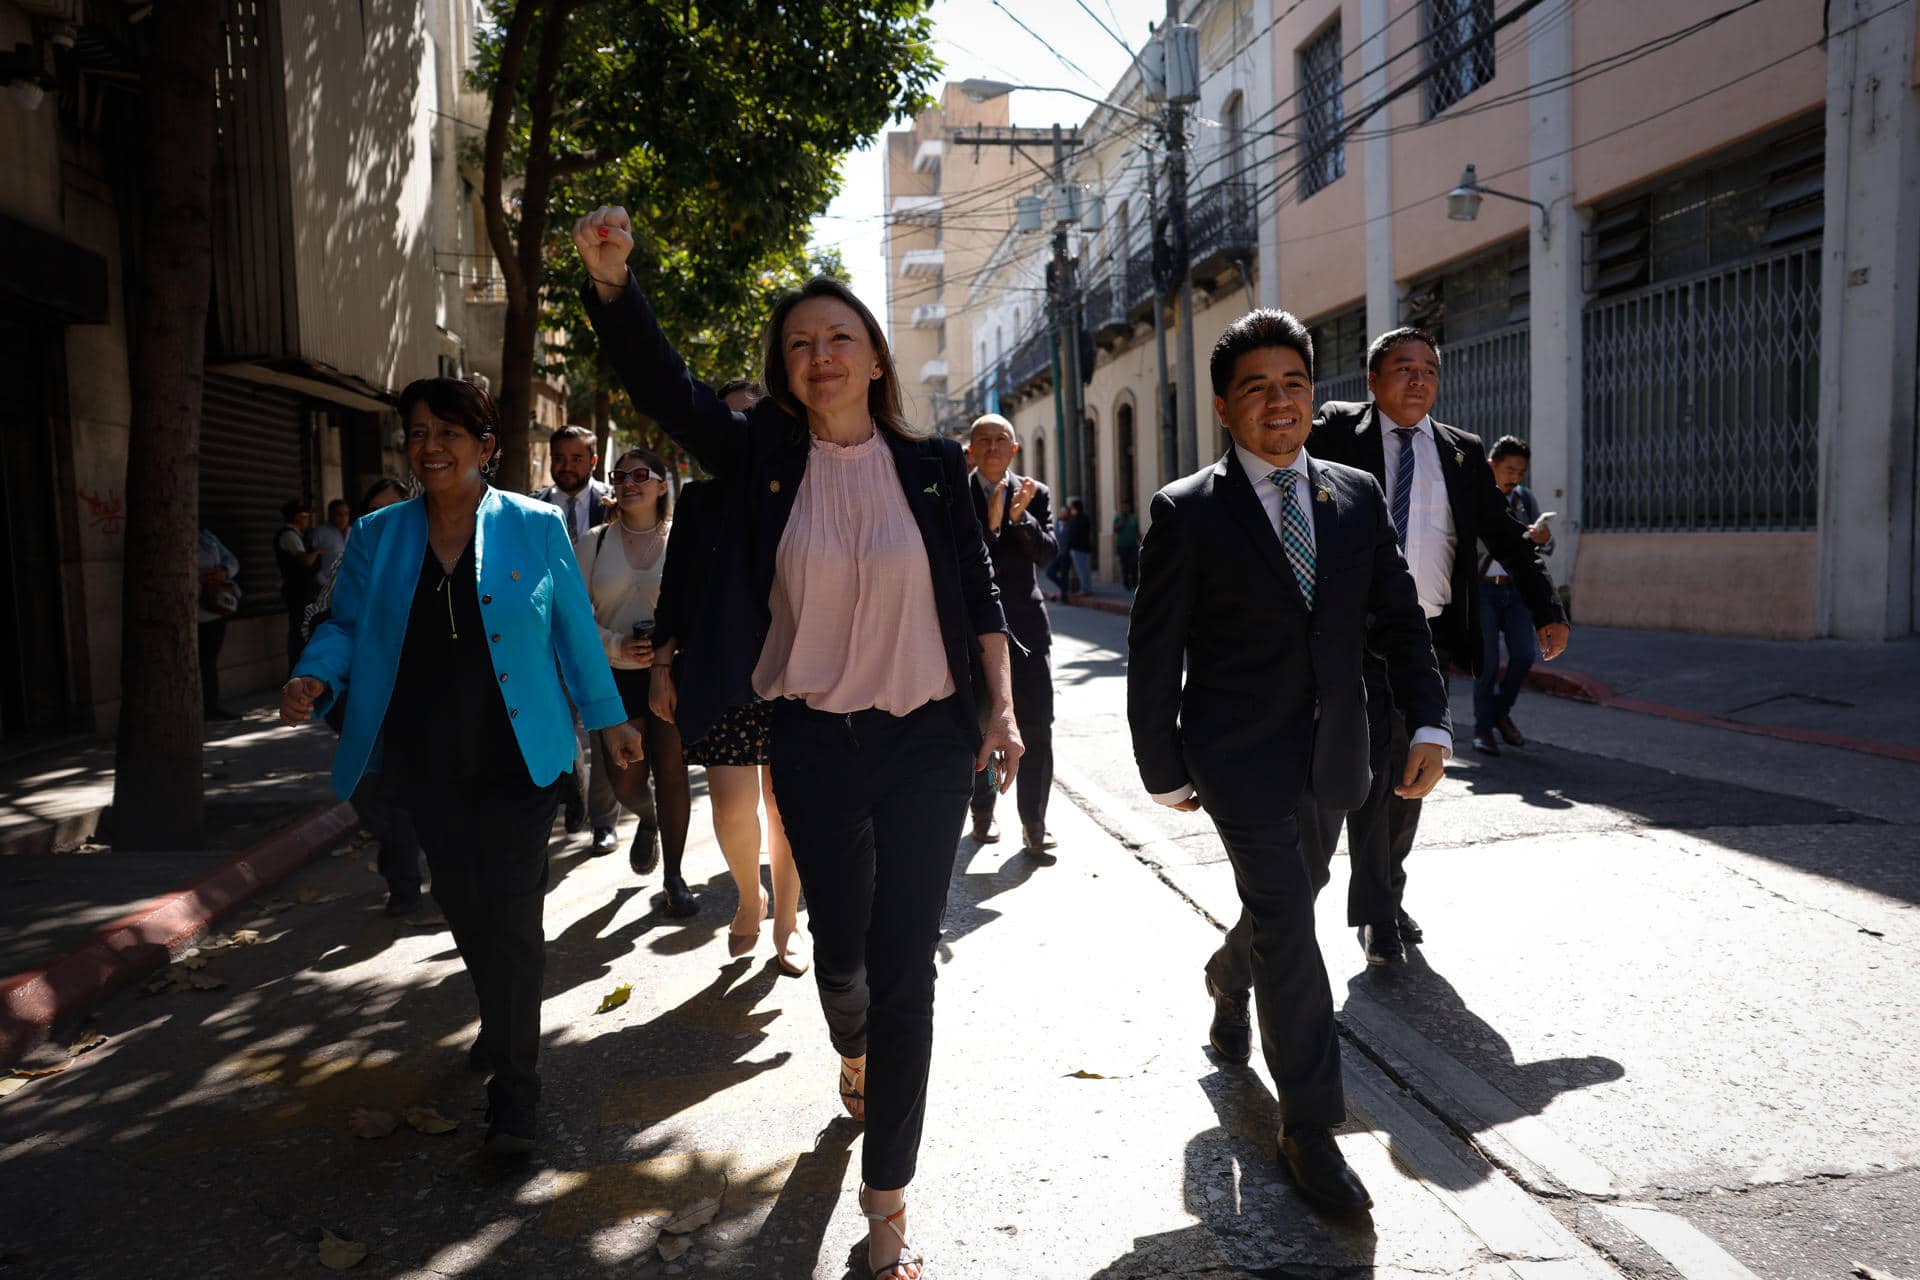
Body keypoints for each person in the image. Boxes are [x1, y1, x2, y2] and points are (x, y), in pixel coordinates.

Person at [577, 203, 1019, 1280]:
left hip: (924, 738)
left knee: (910, 964)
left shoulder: (932, 468)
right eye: (799, 344)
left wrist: (999, 708)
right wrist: (613, 286)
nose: (819, 357)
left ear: (875, 354)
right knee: (845, 954)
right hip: (814, 737)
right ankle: (851, 1045)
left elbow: (978, 591)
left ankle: (887, 1209)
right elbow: (669, 392)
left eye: (839, 338)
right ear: (786, 368)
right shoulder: (761, 455)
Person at [1127, 309, 1449, 1217]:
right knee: (1292, 923)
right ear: (1226, 410)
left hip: (1337, 754)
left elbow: (1398, 621)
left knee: (1292, 903)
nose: (1280, 403)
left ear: (1315, 394)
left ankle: (1228, 979)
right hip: (1237, 758)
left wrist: (1429, 722)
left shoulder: (1353, 496)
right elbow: (1155, 654)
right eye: (1258, 389)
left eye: (1295, 384)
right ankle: (1311, 1128)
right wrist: (1163, 767)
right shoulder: (1186, 511)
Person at [281, 377, 643, 1156]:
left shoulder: (534, 525)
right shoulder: (380, 535)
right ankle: (499, 1016)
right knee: (466, 907)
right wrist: (316, 676)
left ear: (486, 447)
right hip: (425, 758)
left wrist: (611, 720)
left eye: (449, 431)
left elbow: (574, 632)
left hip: (521, 757)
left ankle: (515, 1094)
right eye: (417, 432)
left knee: (513, 920)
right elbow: (342, 626)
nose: (431, 445)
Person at [1310, 328, 1569, 965]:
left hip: (1423, 638)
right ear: (1373, 381)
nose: (1419, 379)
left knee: (1409, 773)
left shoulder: (1460, 453)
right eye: (1403, 368)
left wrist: (1547, 608)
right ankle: (1372, 910)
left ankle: (1385, 897)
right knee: (1364, 778)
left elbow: (1508, 538)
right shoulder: (1338, 432)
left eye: (1429, 368)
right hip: (1349, 637)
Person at [651, 377, 808, 975]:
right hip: (719, 668)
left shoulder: (801, 488)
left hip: (796, 668)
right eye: (725, 424)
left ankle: (789, 923)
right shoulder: (697, 501)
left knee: (785, 803)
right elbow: (676, 591)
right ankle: (750, 896)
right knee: (731, 809)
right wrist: (663, 664)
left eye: (750, 422)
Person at [575, 444, 698, 916]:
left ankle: (675, 877)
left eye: (640, 474)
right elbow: (573, 615)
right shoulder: (594, 542)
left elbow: (695, 605)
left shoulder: (682, 539)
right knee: (626, 782)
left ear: (662, 486)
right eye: (620, 476)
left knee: (671, 773)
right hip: (613, 677)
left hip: (671, 674)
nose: (628, 483)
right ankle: (648, 820)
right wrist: (615, 646)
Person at [964, 413, 1059, 853]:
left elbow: (1047, 553)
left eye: (1001, 440)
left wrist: (1019, 519)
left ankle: (1034, 823)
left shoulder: (1034, 494)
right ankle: (983, 812)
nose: (992, 448)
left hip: (1026, 629)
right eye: (983, 440)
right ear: (970, 449)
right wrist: (993, 523)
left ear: (1014, 449)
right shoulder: (957, 496)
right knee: (982, 726)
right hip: (976, 633)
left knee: (1037, 726)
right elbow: (961, 557)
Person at [534, 424, 621, 846]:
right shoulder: (531, 508)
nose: (565, 468)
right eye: (558, 459)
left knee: (604, 729)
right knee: (560, 725)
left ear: (592, 460)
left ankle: (604, 822)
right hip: (548, 638)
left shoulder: (615, 503)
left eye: (574, 459)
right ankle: (576, 794)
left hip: (602, 634)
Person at [1474, 436, 1554, 756]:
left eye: (1521, 472)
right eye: (1509, 469)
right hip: (1480, 589)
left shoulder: (1524, 500)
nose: (1515, 477)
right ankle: (1483, 729)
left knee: (1523, 656)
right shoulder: (1474, 496)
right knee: (1488, 663)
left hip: (1516, 590)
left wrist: (1543, 538)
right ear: (1491, 465)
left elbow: (1546, 547)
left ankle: (1499, 713)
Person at [197, 528, 242, 721]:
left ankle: (210, 706)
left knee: (208, 659)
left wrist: (223, 572)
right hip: (189, 606)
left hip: (213, 606)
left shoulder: (207, 536)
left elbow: (231, 560)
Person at [275, 499, 322, 667]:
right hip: (296, 590)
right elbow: (306, 561)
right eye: (304, 516)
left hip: (302, 589)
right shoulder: (289, 535)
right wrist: (317, 551)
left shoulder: (297, 535)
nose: (307, 520)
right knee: (299, 630)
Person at [312, 499, 352, 587]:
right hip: (326, 584)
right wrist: (322, 581)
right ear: (331, 514)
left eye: (346, 514)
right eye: (339, 514)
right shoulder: (320, 533)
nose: (343, 518)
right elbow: (313, 562)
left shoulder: (354, 533)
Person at [1064, 498, 1093, 597]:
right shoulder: (1084, 518)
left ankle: (1085, 589)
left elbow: (1072, 534)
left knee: (1082, 570)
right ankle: (1086, 588)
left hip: (1077, 548)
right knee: (1085, 570)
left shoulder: (1076, 519)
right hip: (1084, 547)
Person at [1111, 497, 1141, 590]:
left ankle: (1135, 583)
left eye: (1127, 507)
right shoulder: (1118, 518)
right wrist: (1122, 522)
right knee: (1125, 565)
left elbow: (1137, 530)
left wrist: (1141, 541)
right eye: (1123, 507)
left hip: (1133, 545)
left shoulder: (1133, 517)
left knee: (1134, 564)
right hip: (1122, 545)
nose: (1125, 508)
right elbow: (1115, 530)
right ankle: (1126, 583)